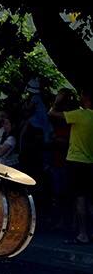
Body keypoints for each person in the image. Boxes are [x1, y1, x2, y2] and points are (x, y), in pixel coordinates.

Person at [49, 86, 93, 244]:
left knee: (79, 199)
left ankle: (83, 234)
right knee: (88, 199)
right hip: (89, 161)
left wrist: (58, 100)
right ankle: (88, 231)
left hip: (76, 161)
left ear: (86, 97)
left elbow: (52, 114)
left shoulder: (80, 115)